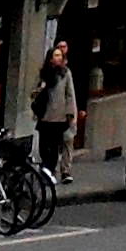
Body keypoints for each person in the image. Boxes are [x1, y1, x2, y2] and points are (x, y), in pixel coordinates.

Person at [32, 39, 80, 175]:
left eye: (60, 55)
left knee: (53, 146)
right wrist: (39, 90)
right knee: (43, 145)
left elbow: (70, 94)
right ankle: (45, 167)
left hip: (59, 117)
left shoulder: (65, 74)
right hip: (44, 115)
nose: (59, 58)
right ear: (50, 59)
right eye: (56, 55)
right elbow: (33, 93)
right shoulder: (43, 74)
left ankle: (51, 170)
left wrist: (71, 114)